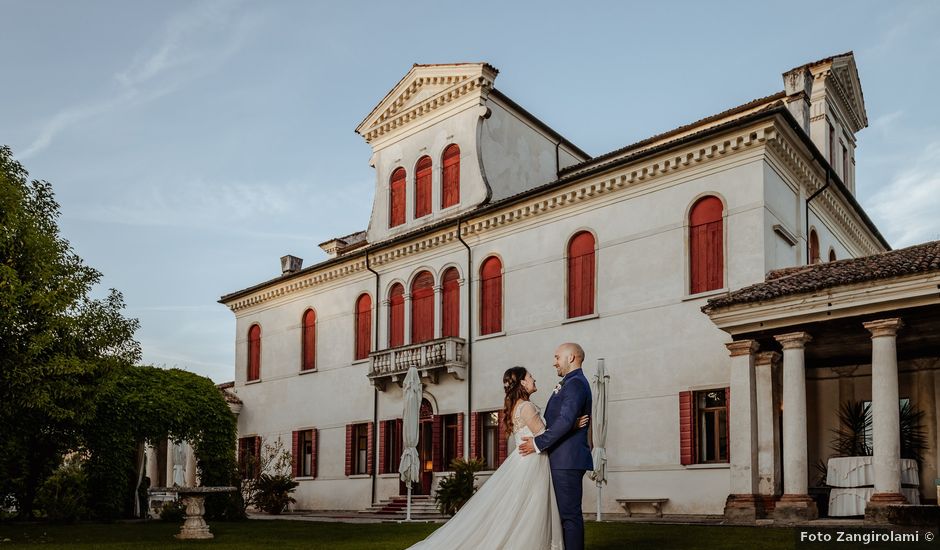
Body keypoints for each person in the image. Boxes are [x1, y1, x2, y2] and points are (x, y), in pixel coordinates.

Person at [407, 366, 588, 549]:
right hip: (533, 461)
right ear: (523, 383)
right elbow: (544, 436)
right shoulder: (526, 406)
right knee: (531, 509)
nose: (534, 379)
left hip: (523, 459)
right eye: (531, 377)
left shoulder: (517, 405)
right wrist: (571, 426)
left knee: (521, 508)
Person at [519, 343, 593, 550]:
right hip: (561, 457)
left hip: (566, 459)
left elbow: (565, 419)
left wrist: (537, 443)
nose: (554, 362)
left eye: (557, 357)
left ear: (571, 358)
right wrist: (570, 425)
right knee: (562, 516)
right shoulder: (569, 382)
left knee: (569, 517)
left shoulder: (576, 383)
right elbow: (564, 421)